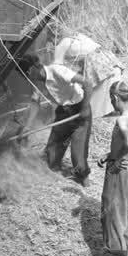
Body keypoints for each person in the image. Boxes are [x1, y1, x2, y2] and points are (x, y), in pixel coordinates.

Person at [21, 53, 93, 186]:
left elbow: (88, 83)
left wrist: (84, 108)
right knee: (52, 153)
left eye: (26, 75)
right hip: (63, 112)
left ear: (31, 70)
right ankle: (54, 177)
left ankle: (84, 181)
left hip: (79, 109)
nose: (27, 78)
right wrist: (27, 127)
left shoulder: (57, 71)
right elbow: (35, 104)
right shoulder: (37, 83)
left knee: (78, 154)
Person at [98, 80, 128, 256]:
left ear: (115, 98)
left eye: (111, 99)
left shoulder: (122, 119)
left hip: (120, 173)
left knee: (113, 216)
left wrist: (117, 161)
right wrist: (110, 155)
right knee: (127, 215)